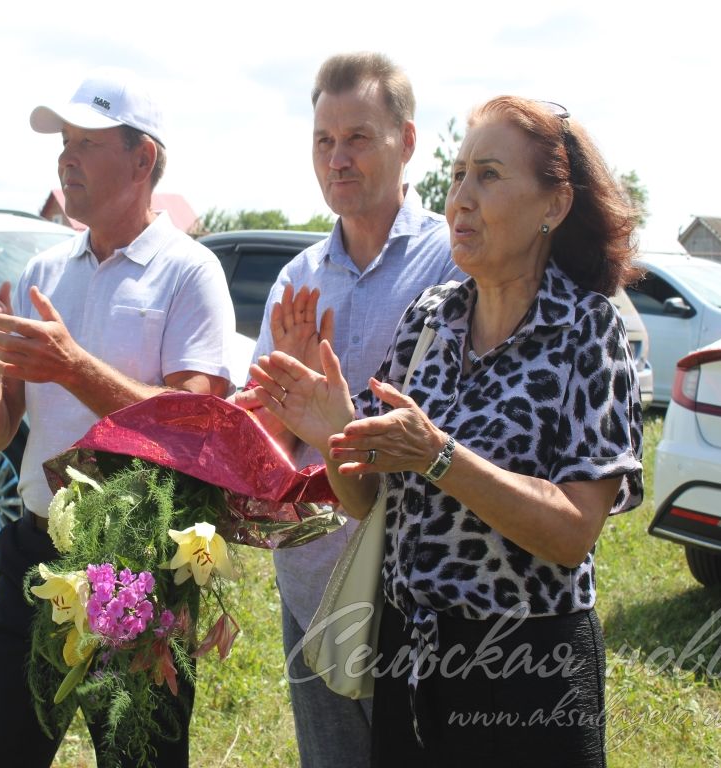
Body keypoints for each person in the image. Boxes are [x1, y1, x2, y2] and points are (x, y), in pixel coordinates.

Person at [251, 96, 644, 767]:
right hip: (408, 656)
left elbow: (573, 532)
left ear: (554, 204)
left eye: (487, 175)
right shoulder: (432, 318)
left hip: (525, 672)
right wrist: (334, 437)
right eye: (457, 174)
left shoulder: (590, 331)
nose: (458, 198)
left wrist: (439, 456)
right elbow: (370, 502)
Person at [0, 68, 236, 768]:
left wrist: (73, 365)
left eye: (87, 141)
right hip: (37, 551)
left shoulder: (189, 273)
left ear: (143, 159)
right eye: (64, 142)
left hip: (140, 565)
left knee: (139, 758)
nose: (65, 158)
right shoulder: (43, 272)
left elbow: (195, 427)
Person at [235, 52, 464, 768]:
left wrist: (337, 414)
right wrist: (291, 386)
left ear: (409, 142)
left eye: (358, 137)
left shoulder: (453, 260)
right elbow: (256, 446)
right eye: (323, 141)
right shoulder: (297, 280)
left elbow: (460, 415)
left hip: (420, 587)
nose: (337, 158)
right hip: (312, 580)